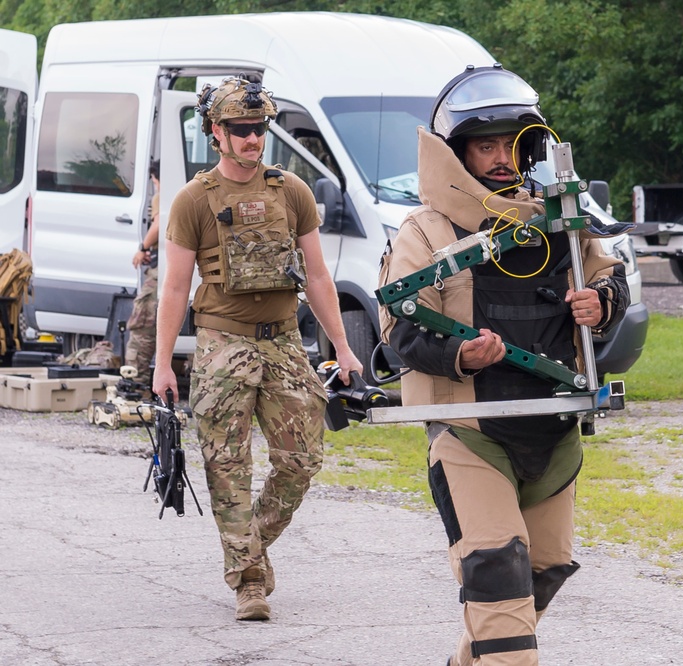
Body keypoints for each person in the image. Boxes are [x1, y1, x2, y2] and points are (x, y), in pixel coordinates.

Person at [378, 64, 630, 665]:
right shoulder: (427, 229)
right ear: (458, 153)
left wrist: (602, 304)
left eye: (509, 144)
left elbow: (608, 276)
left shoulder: (563, 220)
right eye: (483, 145)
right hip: (473, 431)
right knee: (496, 573)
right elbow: (398, 331)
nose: (498, 159)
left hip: (555, 428)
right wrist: (458, 353)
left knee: (541, 571)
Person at [152, 76, 363, 622]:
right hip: (223, 340)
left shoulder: (291, 190)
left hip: (285, 342)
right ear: (216, 134)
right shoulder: (193, 200)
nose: (252, 139)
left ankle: (252, 547)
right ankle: (248, 580)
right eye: (241, 130)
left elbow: (316, 275)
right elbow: (174, 287)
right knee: (227, 464)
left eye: (259, 129)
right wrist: (161, 364)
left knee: (301, 460)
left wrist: (341, 345)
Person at [124, 160, 160, 383]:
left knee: (141, 328)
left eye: (154, 181)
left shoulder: (161, 197)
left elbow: (157, 224)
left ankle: (137, 385)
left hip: (159, 277)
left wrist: (143, 248)